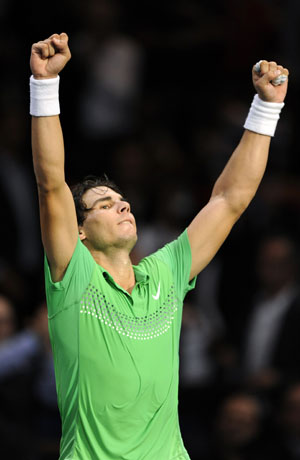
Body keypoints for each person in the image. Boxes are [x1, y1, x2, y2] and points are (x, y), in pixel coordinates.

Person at [29, 32, 289, 460]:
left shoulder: (166, 274)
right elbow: (50, 183)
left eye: (122, 200)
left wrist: (266, 107)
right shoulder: (72, 276)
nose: (122, 205)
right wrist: (44, 85)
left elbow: (229, 200)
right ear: (78, 232)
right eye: (104, 205)